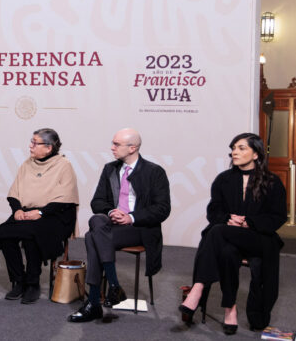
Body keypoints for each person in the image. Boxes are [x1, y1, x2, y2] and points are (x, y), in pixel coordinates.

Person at [179, 133, 286, 335]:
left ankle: (198, 287)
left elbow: (278, 217)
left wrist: (248, 222)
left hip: (260, 239)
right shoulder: (223, 180)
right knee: (226, 250)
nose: (234, 152)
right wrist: (228, 218)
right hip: (230, 237)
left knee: (215, 232)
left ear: (256, 154)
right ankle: (230, 309)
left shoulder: (272, 181)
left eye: (241, 148)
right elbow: (214, 210)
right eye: (233, 148)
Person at [68, 128, 170, 322]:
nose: (112, 147)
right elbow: (97, 201)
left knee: (92, 237)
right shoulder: (110, 169)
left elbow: (162, 209)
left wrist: (131, 217)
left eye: (116, 144)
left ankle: (94, 303)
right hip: (112, 226)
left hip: (140, 228)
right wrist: (111, 212)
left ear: (132, 148)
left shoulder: (154, 172)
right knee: (97, 220)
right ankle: (113, 286)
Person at [0, 128, 78, 304]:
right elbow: (14, 192)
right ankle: (18, 280)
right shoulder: (27, 163)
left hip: (55, 214)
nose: (30, 146)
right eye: (31, 141)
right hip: (27, 212)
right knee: (5, 233)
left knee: (32, 235)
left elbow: (66, 199)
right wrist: (17, 210)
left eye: (35, 143)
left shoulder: (63, 165)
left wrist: (41, 212)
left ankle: (32, 283)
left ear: (49, 148)